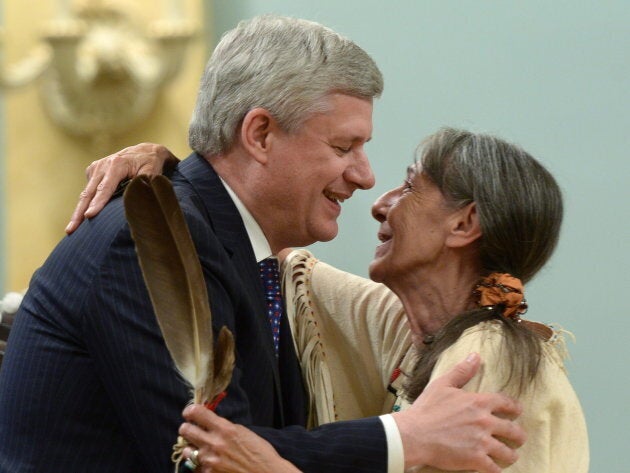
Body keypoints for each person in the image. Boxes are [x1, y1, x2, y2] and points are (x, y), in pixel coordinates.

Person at [0, 16, 525, 473]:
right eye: (344, 146)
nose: (365, 177)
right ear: (260, 135)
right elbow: (206, 452)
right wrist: (405, 438)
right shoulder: (148, 242)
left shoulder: (241, 251)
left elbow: (248, 445)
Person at [80, 128, 588, 473]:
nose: (379, 201)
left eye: (410, 186)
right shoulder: (418, 326)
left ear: (463, 224)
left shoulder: (484, 357)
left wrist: (272, 468)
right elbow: (257, 240)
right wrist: (174, 173)